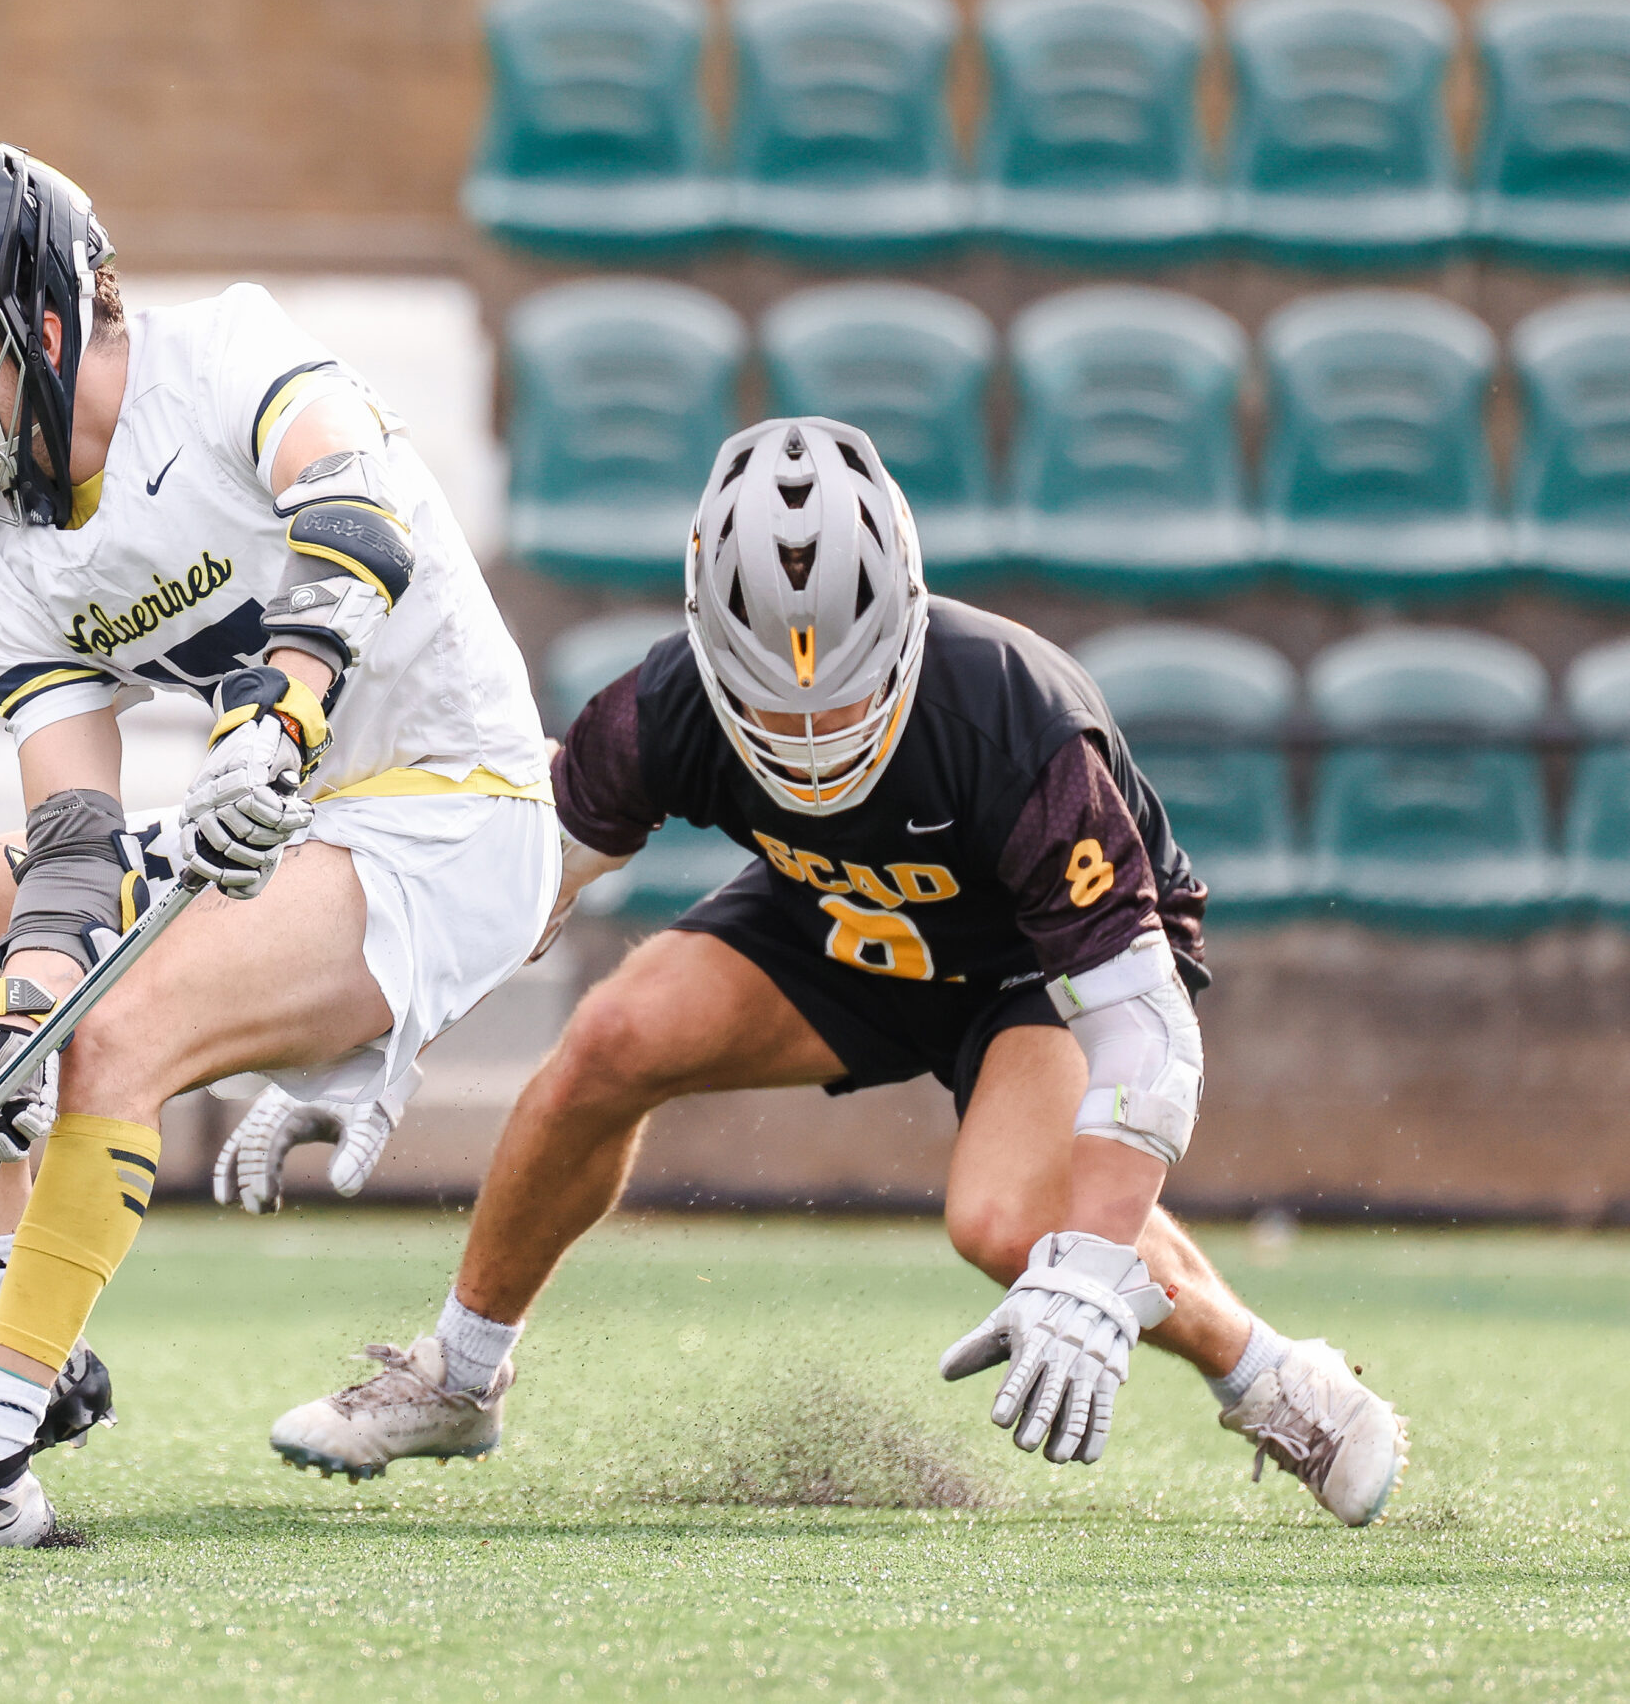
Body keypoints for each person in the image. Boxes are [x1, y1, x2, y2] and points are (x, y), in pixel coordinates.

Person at [265, 417, 1409, 1526]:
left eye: (847, 691)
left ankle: (1270, 1380)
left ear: (905, 623)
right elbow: (512, 890)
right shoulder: (663, 703)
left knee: (1012, 1226)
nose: (810, 731)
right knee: (614, 1037)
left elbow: (1143, 1032)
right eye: (766, 695)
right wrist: (371, 1036)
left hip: (1030, 970)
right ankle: (459, 1378)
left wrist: (1096, 1265)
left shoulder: (1017, 722)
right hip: (840, 915)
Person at [0, 126, 555, 1548]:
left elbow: (360, 516)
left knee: (123, 1031)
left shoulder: (227, 353)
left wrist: (278, 714)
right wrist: (11, 1016)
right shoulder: (10, 556)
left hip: (455, 810)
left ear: (40, 310)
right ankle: (12, 1341)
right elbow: (77, 836)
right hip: (288, 818)